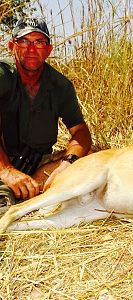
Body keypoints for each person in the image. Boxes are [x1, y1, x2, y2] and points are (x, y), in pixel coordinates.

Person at [0, 17, 92, 205]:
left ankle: (31, 191)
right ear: (12, 46)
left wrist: (68, 162)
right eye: (24, 41)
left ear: (48, 50)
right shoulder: (3, 75)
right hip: (2, 163)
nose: (31, 49)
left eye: (39, 42)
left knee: (91, 161)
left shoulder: (61, 86)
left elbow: (80, 132)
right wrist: (5, 170)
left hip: (37, 166)